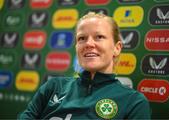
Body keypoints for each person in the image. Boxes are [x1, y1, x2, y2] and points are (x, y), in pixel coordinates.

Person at [18, 12, 151, 119]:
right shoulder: (53, 86)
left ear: (117, 48)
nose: (89, 44)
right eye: (82, 38)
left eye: (99, 37)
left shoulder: (134, 102)